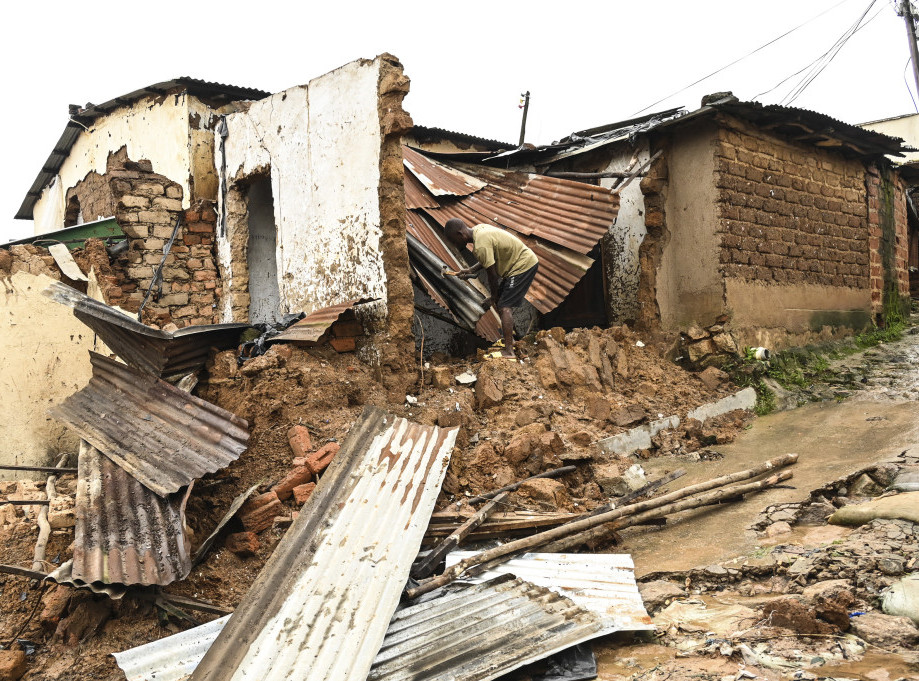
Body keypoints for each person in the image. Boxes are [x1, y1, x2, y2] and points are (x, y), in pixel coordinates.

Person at [444, 218, 539, 359]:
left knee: (504, 306)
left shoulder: (481, 243)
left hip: (523, 266)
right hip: (516, 265)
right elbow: (488, 258)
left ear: (460, 234)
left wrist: (493, 297)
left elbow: (492, 275)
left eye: (454, 241)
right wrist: (469, 270)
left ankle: (509, 352)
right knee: (501, 303)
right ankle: (510, 341)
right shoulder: (479, 230)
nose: (455, 245)